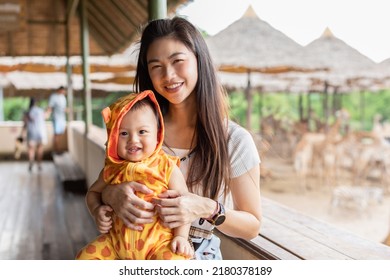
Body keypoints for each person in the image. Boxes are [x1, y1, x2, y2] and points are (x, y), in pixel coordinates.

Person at [97, 17, 262, 260]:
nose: (169, 75)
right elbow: (105, 183)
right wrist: (109, 195)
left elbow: (252, 226)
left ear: (198, 60)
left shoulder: (234, 140)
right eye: (156, 66)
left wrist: (206, 207)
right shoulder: (139, 134)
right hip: (130, 251)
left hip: (196, 254)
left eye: (178, 61)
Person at [76, 90, 193, 260]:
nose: (133, 140)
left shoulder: (166, 166)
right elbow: (93, 193)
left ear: (158, 133)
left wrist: (181, 237)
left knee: (175, 262)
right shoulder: (112, 169)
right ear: (114, 137)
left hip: (158, 245)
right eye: (123, 133)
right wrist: (96, 210)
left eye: (142, 132)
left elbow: (184, 203)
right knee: (84, 258)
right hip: (115, 244)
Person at [23, 97, 48, 172]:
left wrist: (22, 134)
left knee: (31, 149)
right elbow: (46, 117)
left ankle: (31, 161)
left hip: (31, 132)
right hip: (40, 132)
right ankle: (39, 164)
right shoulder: (40, 111)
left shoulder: (28, 112)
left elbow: (25, 124)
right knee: (40, 148)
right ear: (36, 103)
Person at [46, 86, 67, 154]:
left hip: (62, 118)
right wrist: (47, 115)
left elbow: (63, 108)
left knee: (60, 133)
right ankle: (56, 149)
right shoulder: (54, 97)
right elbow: (50, 107)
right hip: (56, 118)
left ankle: (58, 148)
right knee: (56, 134)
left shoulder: (63, 97)